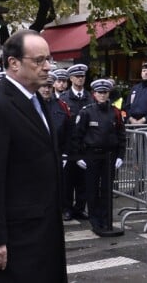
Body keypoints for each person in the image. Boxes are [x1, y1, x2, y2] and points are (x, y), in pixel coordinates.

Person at [0, 29, 67, 282]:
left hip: (42, 230)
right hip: (16, 236)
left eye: (49, 59)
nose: (48, 67)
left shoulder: (38, 101)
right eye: (39, 60)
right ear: (13, 63)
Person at [74, 79, 126, 233]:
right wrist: (78, 157)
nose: (102, 95)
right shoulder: (86, 111)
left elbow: (121, 136)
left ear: (108, 93)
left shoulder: (115, 112)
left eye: (105, 92)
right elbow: (77, 136)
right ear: (94, 94)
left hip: (110, 156)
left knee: (107, 189)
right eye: (99, 92)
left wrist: (120, 156)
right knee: (92, 189)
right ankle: (95, 220)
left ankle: (106, 219)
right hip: (92, 155)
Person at [59, 63, 91, 221]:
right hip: (69, 147)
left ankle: (80, 207)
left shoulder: (90, 97)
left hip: (84, 147)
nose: (80, 79)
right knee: (68, 181)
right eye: (77, 76)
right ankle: (66, 208)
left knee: (83, 180)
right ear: (71, 78)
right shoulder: (63, 99)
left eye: (82, 76)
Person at [38, 72, 72, 161]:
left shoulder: (61, 105)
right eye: (43, 86)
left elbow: (68, 130)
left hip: (58, 152)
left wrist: (66, 152)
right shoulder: (31, 104)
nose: (46, 90)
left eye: (49, 86)